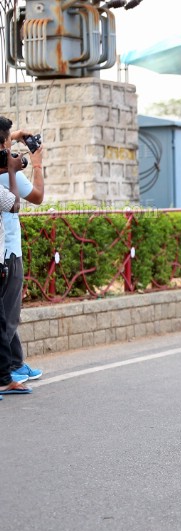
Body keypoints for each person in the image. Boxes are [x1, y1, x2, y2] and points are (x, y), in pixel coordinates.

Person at [0, 117, 44, 387]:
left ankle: (15, 363)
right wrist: (36, 162)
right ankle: (7, 372)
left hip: (4, 249)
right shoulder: (6, 171)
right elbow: (37, 196)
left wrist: (14, 135)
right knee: (8, 313)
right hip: (8, 251)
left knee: (7, 311)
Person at [0, 132, 29, 396]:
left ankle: (9, 372)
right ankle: (7, 372)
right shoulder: (6, 182)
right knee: (4, 318)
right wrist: (12, 171)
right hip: (7, 254)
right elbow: (15, 204)